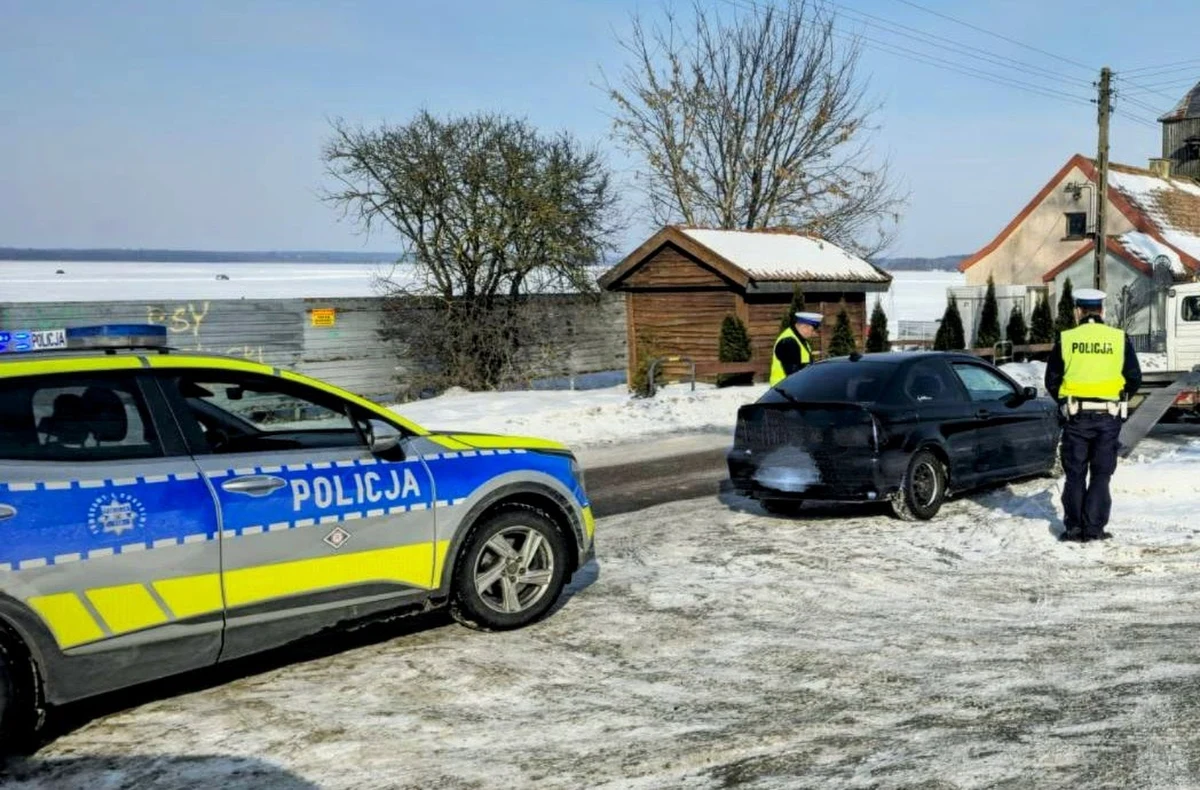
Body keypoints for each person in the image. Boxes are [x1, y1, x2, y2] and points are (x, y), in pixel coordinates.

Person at [1044, 287, 1142, 543]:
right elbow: (1134, 378)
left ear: (1078, 311)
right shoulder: (1119, 338)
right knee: (1101, 474)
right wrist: (1119, 397)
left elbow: (1052, 379)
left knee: (1075, 474)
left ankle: (1074, 529)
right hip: (1108, 418)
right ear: (1102, 311)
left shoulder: (1066, 339)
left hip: (1076, 417)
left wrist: (1065, 401)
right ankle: (1094, 529)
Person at [770, 311, 822, 386]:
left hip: (791, 388)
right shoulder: (789, 342)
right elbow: (793, 373)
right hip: (785, 390)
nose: (814, 334)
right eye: (812, 330)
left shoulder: (800, 340)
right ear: (804, 326)